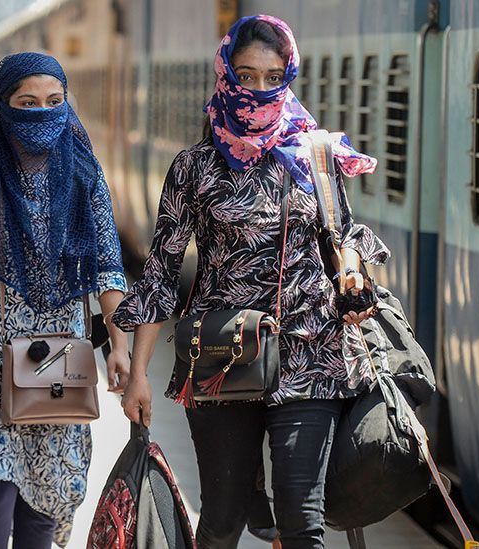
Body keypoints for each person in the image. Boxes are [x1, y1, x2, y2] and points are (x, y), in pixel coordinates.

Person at [114, 15, 387, 549]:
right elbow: (162, 273)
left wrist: (353, 274)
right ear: (225, 75)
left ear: (289, 75)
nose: (259, 89)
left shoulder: (316, 154)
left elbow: (341, 232)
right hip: (222, 354)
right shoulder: (195, 167)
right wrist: (139, 372)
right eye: (246, 75)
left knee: (301, 520)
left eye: (272, 76)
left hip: (311, 350)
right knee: (222, 519)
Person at [0, 52, 130, 549]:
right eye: (27, 102)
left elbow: (107, 263)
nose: (42, 112)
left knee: (47, 491)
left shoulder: (83, 169)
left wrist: (120, 346)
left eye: (54, 101)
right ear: (2, 105)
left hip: (58, 345)